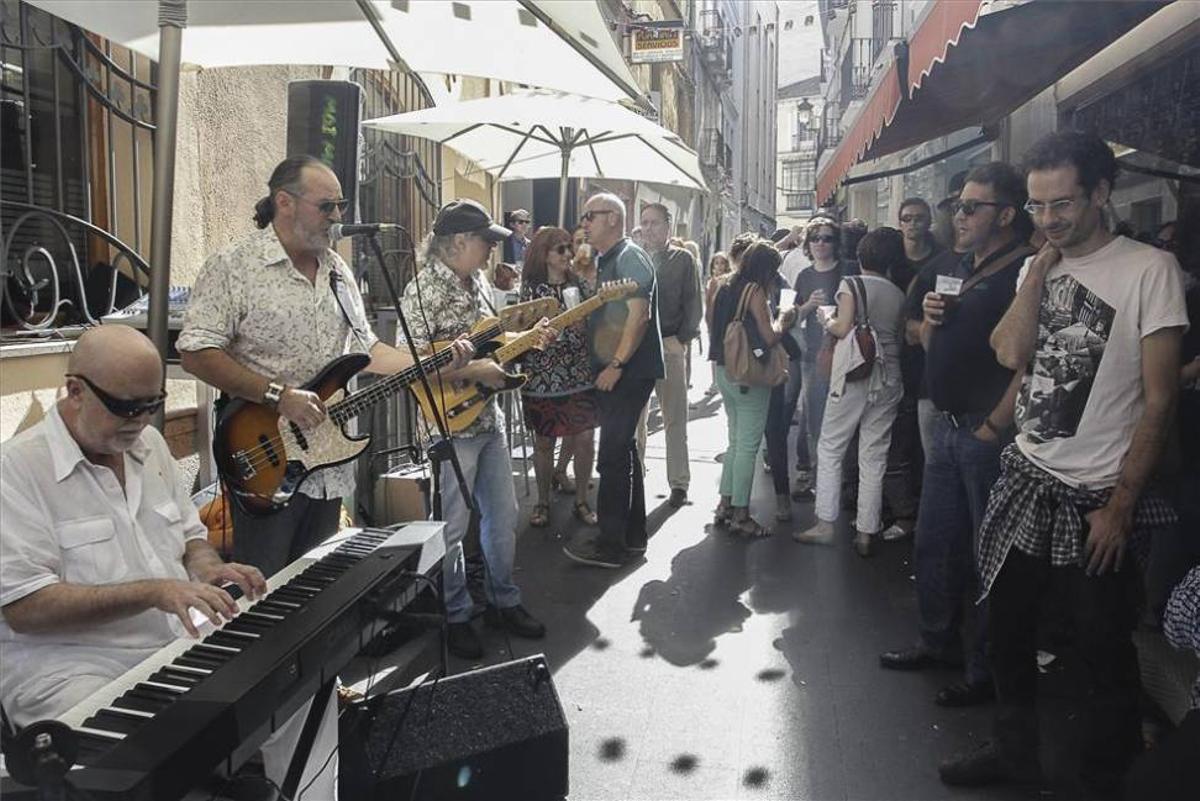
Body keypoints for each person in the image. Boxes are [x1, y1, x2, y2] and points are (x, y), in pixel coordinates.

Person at [939, 132, 1187, 797]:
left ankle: (1109, 777)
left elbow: (1160, 399)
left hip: (1096, 496)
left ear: (1102, 193)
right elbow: (1009, 355)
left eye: (1063, 204)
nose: (1047, 218)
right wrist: (1041, 270)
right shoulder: (1037, 266)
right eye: (1037, 204)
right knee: (1008, 630)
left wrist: (1122, 504)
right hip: (1028, 477)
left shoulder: (1149, 270)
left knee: (1103, 647)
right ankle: (1013, 752)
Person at [0, 327, 336, 796]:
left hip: (172, 648)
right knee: (142, 762)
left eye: (150, 404)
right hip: (74, 671)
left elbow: (189, 537)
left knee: (304, 685)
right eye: (124, 406)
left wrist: (206, 567)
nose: (139, 420)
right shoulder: (15, 470)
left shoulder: (148, 446)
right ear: (74, 390)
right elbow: (26, 608)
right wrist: (156, 591)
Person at [179, 156, 472, 578]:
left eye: (341, 206)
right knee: (265, 586)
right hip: (262, 457)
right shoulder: (234, 266)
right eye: (326, 206)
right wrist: (278, 397)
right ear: (284, 202)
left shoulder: (338, 271)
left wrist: (434, 363)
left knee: (317, 585)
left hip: (328, 462)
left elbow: (366, 349)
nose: (337, 217)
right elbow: (195, 352)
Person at [880, 163, 1036, 709]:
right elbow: (915, 333)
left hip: (986, 434)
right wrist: (926, 320)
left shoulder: (1026, 270)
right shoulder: (953, 266)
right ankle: (937, 641)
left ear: (1007, 215)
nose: (959, 216)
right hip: (945, 427)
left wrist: (996, 425)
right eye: (958, 206)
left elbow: (1030, 359)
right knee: (936, 543)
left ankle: (985, 670)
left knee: (987, 558)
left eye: (972, 207)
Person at [398, 198, 555, 659]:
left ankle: (504, 599)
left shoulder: (481, 283)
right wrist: (480, 370)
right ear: (458, 242)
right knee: (452, 528)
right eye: (485, 241)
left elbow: (493, 340)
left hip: (489, 418)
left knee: (503, 519)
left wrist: (526, 341)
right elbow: (414, 366)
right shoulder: (422, 291)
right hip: (450, 424)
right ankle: (456, 613)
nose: (491, 250)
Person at [562, 192, 664, 569]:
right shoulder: (609, 259)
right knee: (622, 453)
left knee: (612, 455)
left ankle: (611, 545)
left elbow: (639, 315)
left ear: (614, 219)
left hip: (629, 372)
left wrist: (617, 364)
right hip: (621, 371)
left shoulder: (629, 256)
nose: (584, 222)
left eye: (591, 215)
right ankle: (632, 537)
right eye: (583, 215)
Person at [793, 229, 907, 556]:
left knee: (831, 446)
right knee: (874, 453)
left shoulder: (851, 284)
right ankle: (866, 531)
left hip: (855, 373)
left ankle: (825, 523)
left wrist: (825, 318)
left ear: (861, 256)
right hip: (889, 377)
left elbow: (842, 328)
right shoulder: (898, 293)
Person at [709, 241, 797, 537]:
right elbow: (769, 337)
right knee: (748, 446)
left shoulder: (723, 285)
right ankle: (742, 514)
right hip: (748, 373)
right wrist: (785, 320)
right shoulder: (755, 291)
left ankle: (725, 504)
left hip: (724, 368)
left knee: (735, 442)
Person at [518, 226, 598, 529]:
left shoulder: (579, 284)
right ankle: (542, 502)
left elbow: (595, 323)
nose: (568, 254)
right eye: (561, 249)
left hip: (579, 371)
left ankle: (581, 501)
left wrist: (583, 326)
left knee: (586, 439)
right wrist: (535, 335)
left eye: (569, 247)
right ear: (545, 255)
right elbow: (518, 332)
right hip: (542, 375)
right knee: (543, 442)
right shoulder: (531, 289)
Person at [634, 203, 702, 508]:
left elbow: (694, 304)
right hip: (635, 347)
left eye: (655, 223)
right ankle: (635, 471)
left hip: (668, 343)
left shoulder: (683, 259)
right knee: (636, 419)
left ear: (668, 226)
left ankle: (679, 482)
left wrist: (681, 340)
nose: (649, 229)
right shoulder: (633, 258)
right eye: (644, 223)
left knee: (675, 418)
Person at [791, 218, 858, 499]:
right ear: (807, 244)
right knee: (814, 415)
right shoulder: (804, 276)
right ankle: (815, 474)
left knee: (847, 417)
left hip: (849, 355)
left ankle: (846, 479)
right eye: (815, 238)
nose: (820, 243)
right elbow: (792, 316)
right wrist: (808, 305)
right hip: (814, 355)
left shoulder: (849, 271)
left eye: (827, 238)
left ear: (836, 243)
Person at [699, 251, 733, 400]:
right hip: (712, 322)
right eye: (716, 263)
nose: (719, 266)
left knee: (725, 353)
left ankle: (724, 381)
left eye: (722, 263)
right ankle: (715, 382)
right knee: (714, 354)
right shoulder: (711, 281)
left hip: (724, 323)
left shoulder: (728, 282)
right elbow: (708, 303)